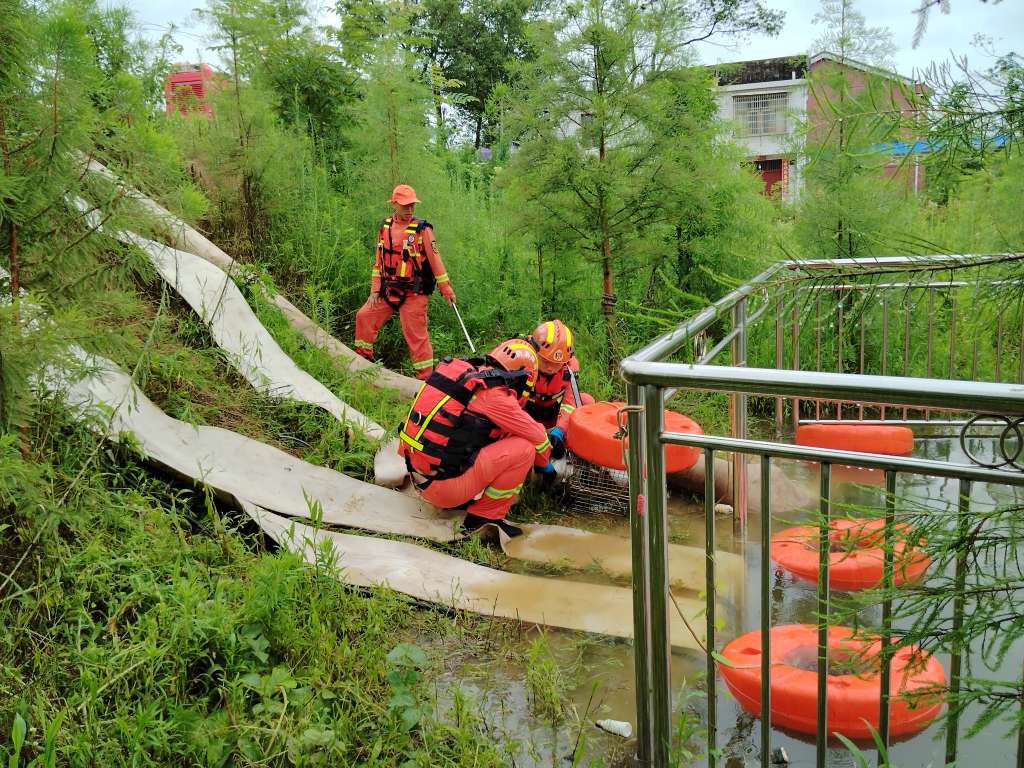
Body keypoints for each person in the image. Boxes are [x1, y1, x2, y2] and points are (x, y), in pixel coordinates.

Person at [398, 339, 554, 537]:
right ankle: (485, 516)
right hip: (444, 490)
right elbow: (539, 438)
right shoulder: (495, 396)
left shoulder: (466, 375)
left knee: (506, 433)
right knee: (524, 449)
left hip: (418, 473)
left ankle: (463, 494)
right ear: (523, 378)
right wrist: (544, 468)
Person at [354, 184, 456, 380]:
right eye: (405, 205)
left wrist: (446, 289)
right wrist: (375, 290)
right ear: (394, 204)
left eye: (412, 205)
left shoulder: (422, 230)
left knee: (416, 337)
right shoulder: (385, 228)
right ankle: (362, 361)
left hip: (414, 292)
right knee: (364, 316)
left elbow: (436, 261)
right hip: (388, 289)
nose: (410, 209)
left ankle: (425, 380)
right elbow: (378, 263)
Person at [525, 319, 594, 460]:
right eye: (545, 361)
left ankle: (572, 450)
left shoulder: (569, 367)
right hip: (526, 415)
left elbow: (570, 401)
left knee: (586, 401)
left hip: (552, 414)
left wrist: (559, 430)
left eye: (556, 363)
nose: (551, 367)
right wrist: (534, 432)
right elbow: (511, 406)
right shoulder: (523, 361)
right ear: (535, 350)